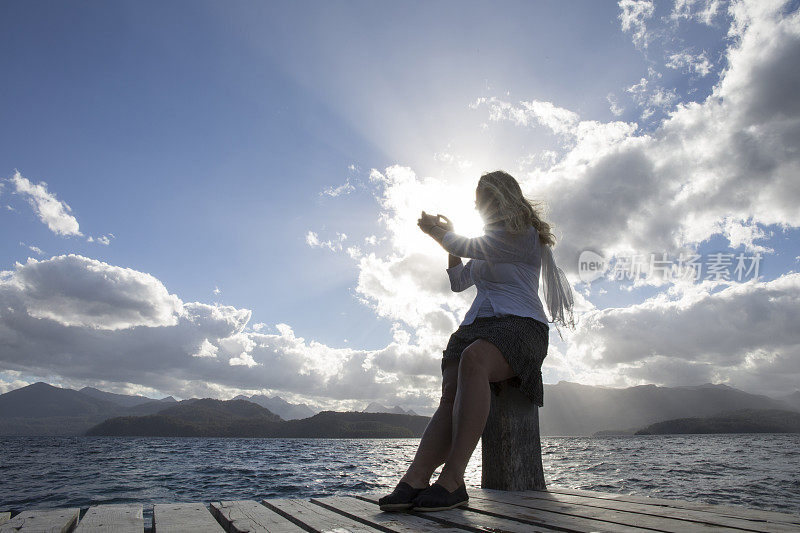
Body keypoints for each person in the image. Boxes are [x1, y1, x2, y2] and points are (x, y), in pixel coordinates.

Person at [378, 170, 576, 512]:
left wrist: (437, 231)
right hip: (477, 327)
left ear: (501, 198)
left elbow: (460, 243)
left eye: (482, 199)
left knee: (474, 359)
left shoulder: (523, 235)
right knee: (450, 393)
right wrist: (448, 241)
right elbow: (457, 280)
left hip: (521, 326)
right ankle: (417, 477)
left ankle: (453, 479)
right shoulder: (488, 244)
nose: (478, 205)